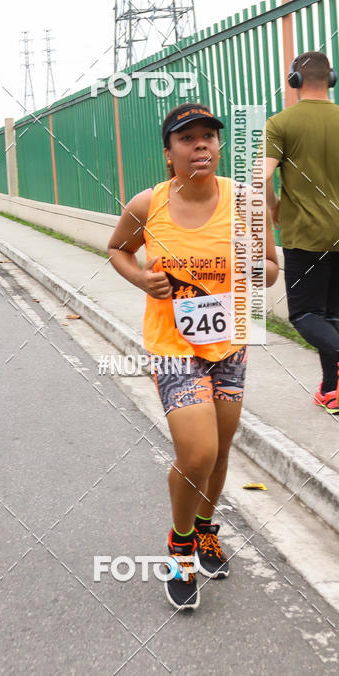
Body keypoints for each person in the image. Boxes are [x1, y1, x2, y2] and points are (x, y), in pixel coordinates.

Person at [107, 102, 279, 610]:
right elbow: (118, 248)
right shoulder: (148, 205)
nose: (200, 144)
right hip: (174, 346)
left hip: (229, 345)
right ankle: (180, 544)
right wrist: (142, 278)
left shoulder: (246, 203)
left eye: (209, 136)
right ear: (169, 154)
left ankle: (205, 528)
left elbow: (270, 267)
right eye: (187, 138)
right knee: (198, 453)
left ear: (219, 145)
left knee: (222, 450)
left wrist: (256, 273)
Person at [265, 51, 339, 412]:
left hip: (305, 238)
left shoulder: (281, 123)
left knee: (306, 315)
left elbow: (261, 175)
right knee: (333, 316)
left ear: (295, 80)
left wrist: (274, 205)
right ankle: (331, 390)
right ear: (332, 78)